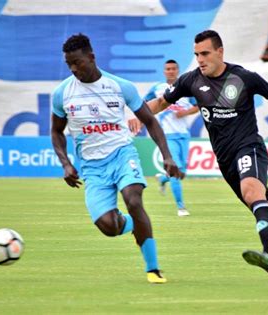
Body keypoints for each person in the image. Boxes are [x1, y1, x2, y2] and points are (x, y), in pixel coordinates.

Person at [144, 30, 268, 276]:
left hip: (249, 147)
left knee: (252, 191)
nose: (200, 59)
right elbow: (161, 103)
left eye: (205, 53)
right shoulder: (191, 80)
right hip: (226, 160)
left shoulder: (243, 77)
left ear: (220, 51)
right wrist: (134, 116)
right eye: (196, 54)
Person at [51, 34, 182, 284]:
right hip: (91, 166)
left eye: (77, 62)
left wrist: (167, 156)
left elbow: (150, 121)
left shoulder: (121, 86)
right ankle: (138, 224)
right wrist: (66, 163)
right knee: (108, 227)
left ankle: (153, 269)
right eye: (69, 64)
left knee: (133, 199)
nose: (73, 69)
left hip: (122, 153)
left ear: (92, 57)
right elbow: (56, 131)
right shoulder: (62, 93)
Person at [144, 59, 199, 217]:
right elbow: (144, 104)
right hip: (167, 135)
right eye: (168, 69)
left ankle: (162, 179)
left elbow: (198, 106)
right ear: (164, 71)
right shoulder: (157, 88)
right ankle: (181, 207)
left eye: (173, 68)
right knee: (176, 171)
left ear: (178, 70)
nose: (171, 71)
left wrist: (185, 112)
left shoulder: (186, 88)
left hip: (184, 134)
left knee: (182, 172)